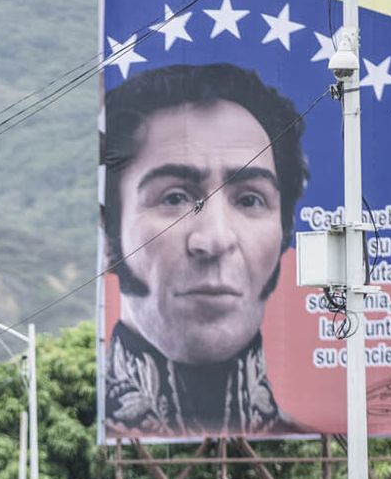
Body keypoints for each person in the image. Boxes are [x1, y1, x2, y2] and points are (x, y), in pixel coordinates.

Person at [100, 62, 309, 438]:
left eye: (249, 200)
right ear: (108, 235)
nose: (215, 240)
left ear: (285, 232)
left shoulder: (321, 437)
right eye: (175, 197)